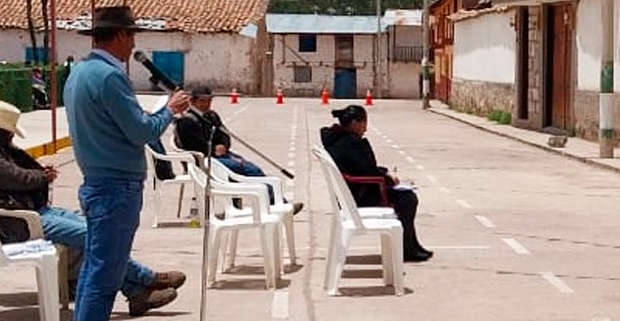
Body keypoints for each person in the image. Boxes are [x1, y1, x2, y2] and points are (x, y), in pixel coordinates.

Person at [0, 99, 184, 316]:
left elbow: (14, 173)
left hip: (27, 211)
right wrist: (42, 176)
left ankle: (136, 291)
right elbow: (16, 178)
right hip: (17, 222)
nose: (10, 135)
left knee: (93, 227)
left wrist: (39, 174)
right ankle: (146, 279)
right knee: (93, 235)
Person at [63, 5, 190, 321]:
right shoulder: (109, 77)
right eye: (131, 35)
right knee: (105, 273)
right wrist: (170, 111)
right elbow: (141, 131)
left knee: (94, 271)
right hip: (115, 186)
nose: (133, 42)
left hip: (98, 181)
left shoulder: (79, 74)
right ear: (119, 36)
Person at [320, 103, 432, 262]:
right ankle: (406, 249)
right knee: (408, 199)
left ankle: (411, 245)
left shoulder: (339, 140)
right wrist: (387, 179)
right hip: (359, 195)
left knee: (407, 196)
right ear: (354, 123)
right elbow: (366, 172)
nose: (365, 129)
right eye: (364, 124)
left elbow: (362, 168)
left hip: (354, 192)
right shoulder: (349, 143)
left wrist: (383, 172)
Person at [174, 84, 300, 211]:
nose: (206, 104)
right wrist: (213, 150)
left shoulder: (211, 116)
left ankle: (273, 203)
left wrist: (223, 145)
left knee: (251, 167)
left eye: (209, 101)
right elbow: (195, 146)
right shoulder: (186, 121)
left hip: (219, 156)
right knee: (249, 169)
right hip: (203, 161)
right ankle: (278, 205)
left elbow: (225, 135)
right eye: (202, 101)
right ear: (192, 101)